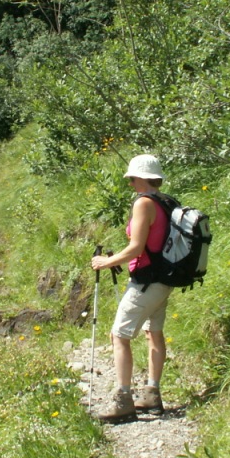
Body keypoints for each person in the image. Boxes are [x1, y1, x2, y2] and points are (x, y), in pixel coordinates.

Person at [91, 154, 173, 423]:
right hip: (164, 279)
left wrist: (106, 262)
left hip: (146, 282)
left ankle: (124, 400)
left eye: (132, 179)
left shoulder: (143, 203)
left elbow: (136, 247)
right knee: (153, 333)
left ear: (140, 178)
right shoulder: (166, 202)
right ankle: (151, 395)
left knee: (119, 336)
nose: (130, 184)